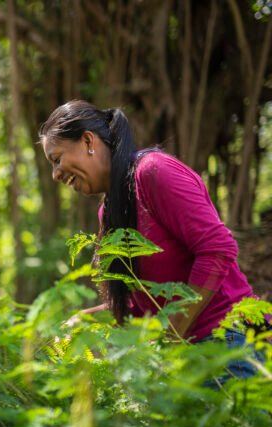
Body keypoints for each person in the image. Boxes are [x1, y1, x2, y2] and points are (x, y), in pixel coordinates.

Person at [38, 100, 267, 380]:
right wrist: (89, 319)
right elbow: (145, 301)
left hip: (226, 346)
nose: (56, 174)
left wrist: (170, 338)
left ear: (88, 140)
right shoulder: (109, 211)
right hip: (183, 360)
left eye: (57, 159)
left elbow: (217, 250)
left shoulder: (154, 172)